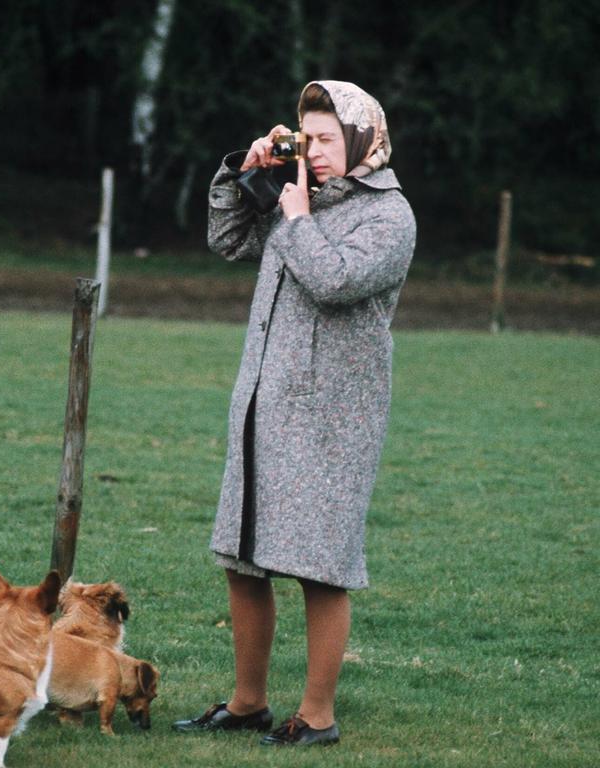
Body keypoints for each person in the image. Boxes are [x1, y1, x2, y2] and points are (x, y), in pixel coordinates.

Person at [172, 81, 416, 746]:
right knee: (244, 558)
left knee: (319, 566)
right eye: (309, 140)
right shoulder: (294, 193)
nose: (319, 152)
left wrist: (300, 215)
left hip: (334, 418)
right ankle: (247, 702)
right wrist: (244, 173)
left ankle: (317, 717)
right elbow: (225, 239)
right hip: (263, 402)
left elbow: (334, 281)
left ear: (365, 138)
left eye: (330, 139)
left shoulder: (388, 217)